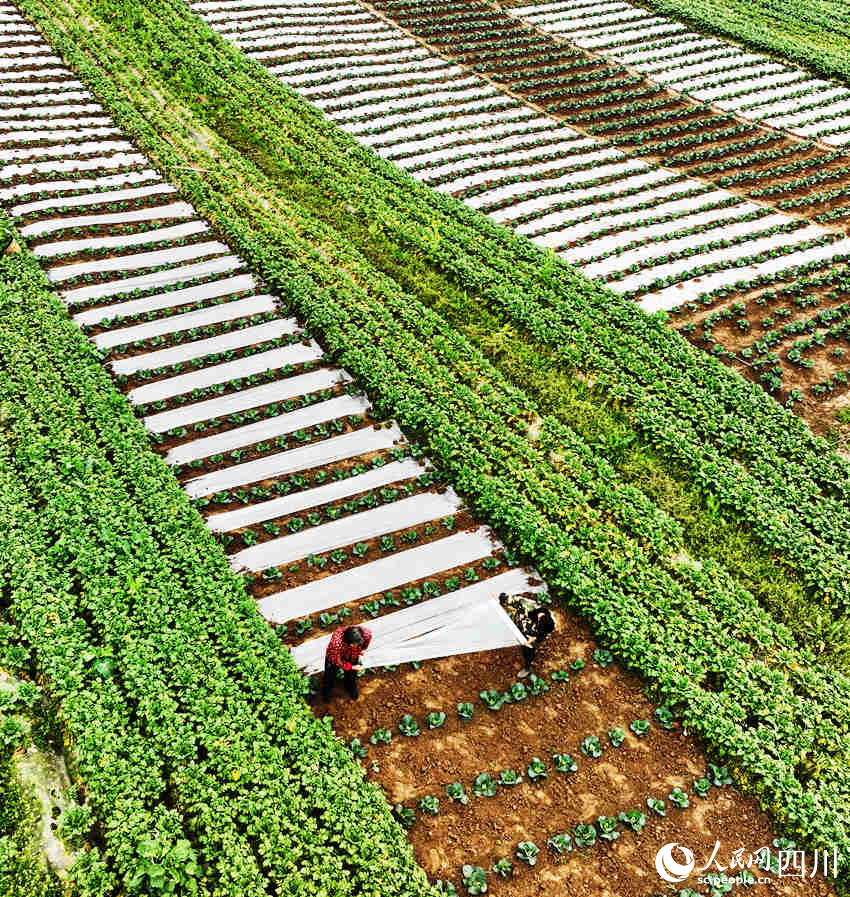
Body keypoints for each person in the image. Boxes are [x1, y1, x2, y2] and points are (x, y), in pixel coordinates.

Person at [500, 593, 555, 678]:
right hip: (517, 624)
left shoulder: (545, 627)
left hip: (527, 637)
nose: (539, 616)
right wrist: (502, 597)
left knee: (528, 652)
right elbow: (514, 601)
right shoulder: (529, 607)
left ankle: (527, 667)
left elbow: (542, 635)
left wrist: (533, 639)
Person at [322, 625, 372, 701]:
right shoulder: (336, 644)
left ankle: (350, 686)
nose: (356, 646)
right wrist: (351, 667)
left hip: (352, 654)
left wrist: (361, 650)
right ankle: (327, 692)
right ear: (348, 641)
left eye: (358, 644)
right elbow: (337, 661)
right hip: (335, 656)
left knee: (352, 675)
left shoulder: (366, 634)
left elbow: (366, 643)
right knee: (330, 675)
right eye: (354, 645)